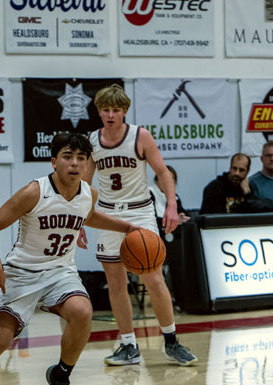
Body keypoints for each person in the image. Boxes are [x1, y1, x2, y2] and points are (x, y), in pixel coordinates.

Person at [0, 133, 139, 385]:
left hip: (60, 272)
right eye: (68, 157)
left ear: (88, 163)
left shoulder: (90, 194)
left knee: (82, 312)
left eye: (81, 158)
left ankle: (61, 374)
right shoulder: (34, 191)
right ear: (54, 162)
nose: (75, 163)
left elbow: (88, 217)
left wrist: (127, 228)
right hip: (22, 273)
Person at [79, 84, 198, 366]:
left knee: (154, 279)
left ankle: (171, 340)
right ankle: (129, 345)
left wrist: (171, 205)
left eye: (116, 110)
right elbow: (84, 185)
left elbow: (162, 171)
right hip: (108, 215)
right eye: (106, 110)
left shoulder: (140, 136)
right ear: (98, 111)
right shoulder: (91, 140)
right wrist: (78, 220)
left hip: (140, 213)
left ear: (125, 111)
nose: (110, 115)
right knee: (116, 283)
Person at [199, 153, 273, 214]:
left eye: (241, 170)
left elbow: (270, 206)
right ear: (230, 168)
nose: (237, 173)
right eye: (234, 168)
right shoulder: (214, 188)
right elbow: (209, 218)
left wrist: (248, 194)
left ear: (247, 171)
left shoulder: (250, 186)